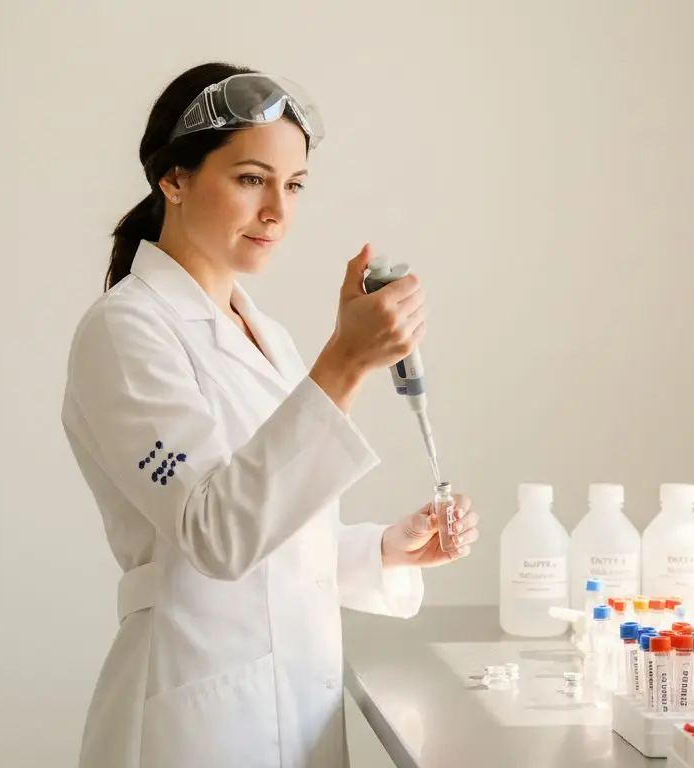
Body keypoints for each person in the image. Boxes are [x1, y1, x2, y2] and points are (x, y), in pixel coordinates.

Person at [60, 62, 481, 768]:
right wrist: (344, 363)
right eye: (252, 179)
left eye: (295, 185)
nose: (278, 212)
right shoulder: (125, 331)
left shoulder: (268, 337)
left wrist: (384, 550)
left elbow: (276, 541)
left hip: (294, 706)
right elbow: (215, 535)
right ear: (174, 179)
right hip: (198, 722)